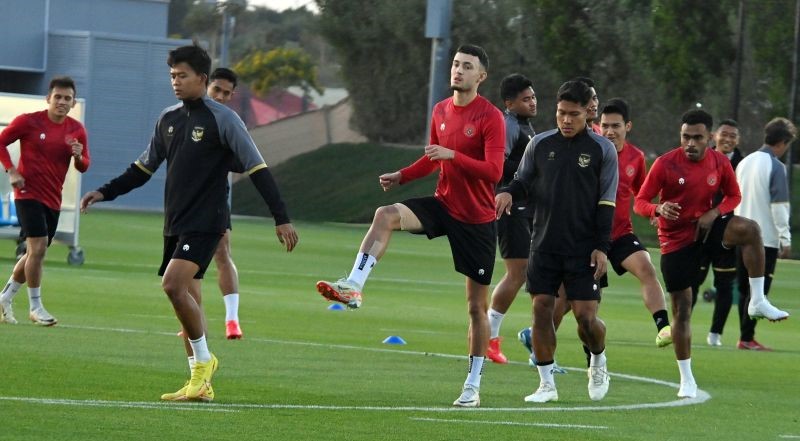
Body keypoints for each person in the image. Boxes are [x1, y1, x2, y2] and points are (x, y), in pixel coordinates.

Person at [79, 44, 298, 402]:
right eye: (172, 76)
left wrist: (281, 217)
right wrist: (105, 192)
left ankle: (205, 363)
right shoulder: (168, 119)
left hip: (207, 220)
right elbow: (142, 169)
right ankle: (199, 383)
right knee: (188, 300)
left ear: (202, 78)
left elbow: (257, 168)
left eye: (182, 76)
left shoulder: (224, 119)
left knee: (172, 285)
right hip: (176, 221)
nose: (175, 82)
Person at [315, 44, 504, 408]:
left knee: (475, 308)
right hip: (444, 204)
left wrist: (454, 156)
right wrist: (402, 176)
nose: (458, 70)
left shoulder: (490, 117)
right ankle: (354, 286)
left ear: (481, 76)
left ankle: (473, 384)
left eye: (467, 66)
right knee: (385, 214)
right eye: (456, 64)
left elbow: (494, 172)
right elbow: (432, 159)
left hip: (477, 219)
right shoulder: (440, 110)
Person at [634, 109, 789, 399]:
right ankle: (686, 379)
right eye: (685, 137)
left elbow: (734, 195)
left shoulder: (719, 162)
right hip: (676, 241)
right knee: (682, 309)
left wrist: (715, 212)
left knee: (750, 230)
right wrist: (658, 209)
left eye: (697, 137)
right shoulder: (665, 163)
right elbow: (640, 201)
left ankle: (757, 300)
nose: (690, 143)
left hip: (708, 229)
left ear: (710, 137)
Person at [496, 80, 618, 403]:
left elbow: (607, 202)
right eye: (561, 113)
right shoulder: (539, 144)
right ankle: (546, 384)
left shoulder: (602, 150)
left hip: (584, 248)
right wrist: (508, 193)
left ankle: (598, 360)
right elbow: (523, 180)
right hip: (544, 243)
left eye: (573, 114)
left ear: (587, 113)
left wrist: (602, 247)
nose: (565, 120)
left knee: (586, 319)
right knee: (541, 310)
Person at [0, 76, 91, 326]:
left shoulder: (76, 130)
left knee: (34, 253)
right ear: (48, 98)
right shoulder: (28, 121)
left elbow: (84, 166)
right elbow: (1, 142)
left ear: (73, 103)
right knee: (37, 249)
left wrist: (78, 156)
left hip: (53, 199)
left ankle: (5, 297)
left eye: (67, 98)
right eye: (58, 97)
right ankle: (35, 307)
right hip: (27, 193)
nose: (62, 102)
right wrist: (11, 171)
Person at [485, 73, 537, 365]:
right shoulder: (509, 125)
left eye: (533, 97)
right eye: (526, 99)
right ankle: (489, 338)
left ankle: (532, 336)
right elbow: (497, 165)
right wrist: (530, 167)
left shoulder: (526, 126)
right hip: (508, 206)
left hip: (527, 208)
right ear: (509, 103)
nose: (533, 102)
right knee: (518, 272)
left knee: (528, 272)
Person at [732, 117, 796, 350]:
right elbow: (779, 207)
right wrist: (785, 239)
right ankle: (747, 338)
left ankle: (744, 337)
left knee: (743, 289)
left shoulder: (744, 162)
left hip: (740, 235)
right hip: (763, 240)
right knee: (758, 292)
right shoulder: (776, 166)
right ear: (782, 142)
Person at [694, 119, 743, 347]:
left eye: (733, 136)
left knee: (725, 284)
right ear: (714, 135)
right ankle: (681, 326)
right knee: (692, 281)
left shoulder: (743, 164)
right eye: (724, 134)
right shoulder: (701, 157)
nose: (728, 139)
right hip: (699, 231)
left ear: (738, 140)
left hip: (727, 235)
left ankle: (715, 334)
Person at [207, 67, 244, 340]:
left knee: (222, 253)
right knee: (184, 264)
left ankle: (232, 320)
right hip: (183, 201)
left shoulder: (231, 122)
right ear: (206, 85)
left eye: (226, 93)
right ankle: (191, 319)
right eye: (216, 89)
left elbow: (244, 161)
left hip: (216, 198)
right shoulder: (182, 116)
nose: (220, 96)